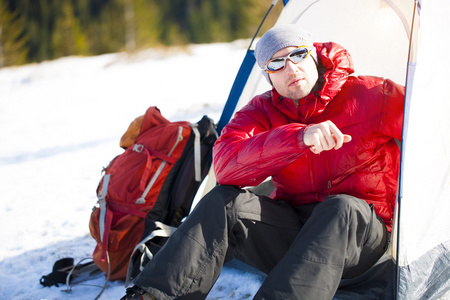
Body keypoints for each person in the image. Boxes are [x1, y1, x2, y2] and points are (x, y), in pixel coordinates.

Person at [121, 24, 405, 300]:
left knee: (340, 207)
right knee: (224, 201)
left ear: (314, 55)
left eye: (298, 55)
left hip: (363, 242)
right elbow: (225, 166)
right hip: (296, 235)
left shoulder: (371, 94)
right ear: (268, 76)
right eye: (276, 64)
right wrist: (298, 138)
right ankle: (153, 296)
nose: (291, 69)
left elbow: (434, 125)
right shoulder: (263, 110)